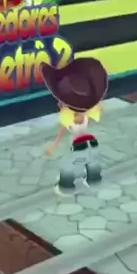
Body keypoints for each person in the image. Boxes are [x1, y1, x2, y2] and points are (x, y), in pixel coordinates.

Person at [41, 57, 109, 195]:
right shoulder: (91, 110)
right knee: (93, 163)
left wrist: (54, 146)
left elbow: (62, 131)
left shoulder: (66, 114)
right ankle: (94, 180)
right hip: (92, 142)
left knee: (67, 167)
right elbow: (97, 113)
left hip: (79, 145)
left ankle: (66, 186)